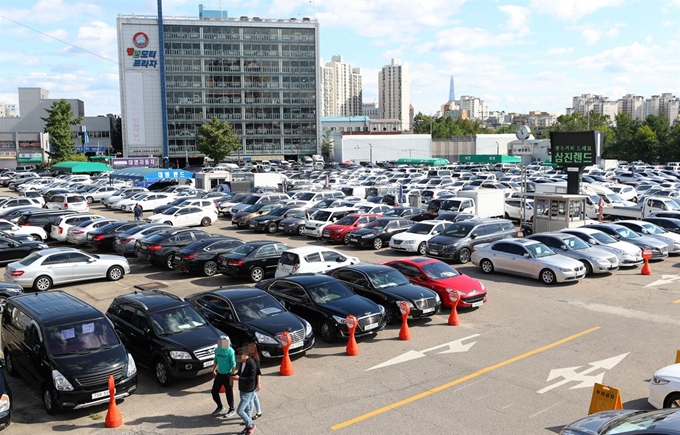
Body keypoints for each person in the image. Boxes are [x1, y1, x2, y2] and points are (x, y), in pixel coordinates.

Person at [233, 343, 261, 434]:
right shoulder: (242, 362)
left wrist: (239, 378)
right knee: (247, 409)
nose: (239, 358)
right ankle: (247, 427)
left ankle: (250, 425)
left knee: (240, 410)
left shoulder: (252, 364)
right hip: (242, 388)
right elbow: (240, 372)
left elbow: (251, 379)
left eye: (240, 356)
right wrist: (233, 375)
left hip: (248, 390)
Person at [210, 335, 236, 417]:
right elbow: (216, 360)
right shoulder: (217, 350)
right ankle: (220, 406)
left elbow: (233, 364)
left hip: (228, 374)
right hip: (219, 374)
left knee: (229, 393)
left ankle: (232, 409)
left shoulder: (230, 351)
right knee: (214, 391)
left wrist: (232, 375)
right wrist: (213, 369)